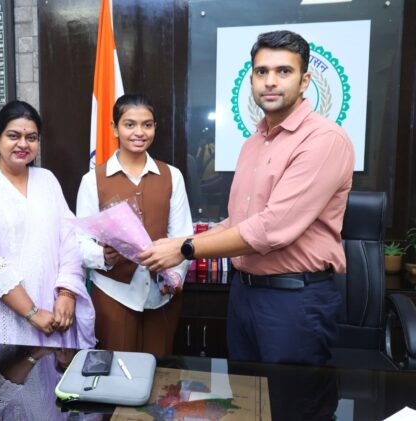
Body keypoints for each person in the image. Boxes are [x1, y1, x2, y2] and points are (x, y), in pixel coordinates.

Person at [140, 30, 355, 366]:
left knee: (290, 396)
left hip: (293, 300)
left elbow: (270, 228)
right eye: (261, 71)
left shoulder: (324, 140)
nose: (270, 81)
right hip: (244, 294)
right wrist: (178, 242)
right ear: (251, 79)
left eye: (284, 71)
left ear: (304, 81)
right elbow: (238, 222)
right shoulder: (253, 143)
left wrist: (184, 249)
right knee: (244, 393)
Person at [0, 100, 96, 347]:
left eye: (31, 137)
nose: (23, 144)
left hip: (52, 306)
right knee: (8, 370)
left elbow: (69, 240)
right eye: (14, 136)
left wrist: (67, 293)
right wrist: (31, 312)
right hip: (1, 309)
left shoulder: (47, 179)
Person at [76, 94, 193, 355]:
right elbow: (79, 241)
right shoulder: (92, 180)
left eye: (147, 125)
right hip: (113, 293)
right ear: (114, 128)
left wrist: (175, 276)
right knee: (116, 370)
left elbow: (183, 236)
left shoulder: (172, 176)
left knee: (160, 368)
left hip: (163, 293)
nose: (139, 132)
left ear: (155, 128)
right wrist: (103, 256)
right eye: (130, 124)